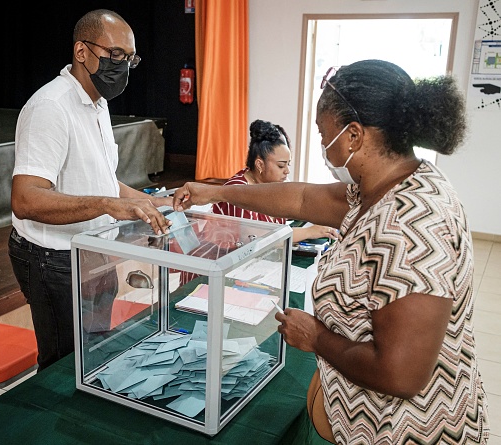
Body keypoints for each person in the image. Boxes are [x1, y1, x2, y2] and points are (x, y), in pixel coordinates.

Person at [173, 59, 490, 444]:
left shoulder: (411, 226)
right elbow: (303, 197)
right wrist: (217, 191)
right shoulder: (384, 185)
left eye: (325, 135)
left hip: (407, 431)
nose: (323, 146)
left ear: (354, 135)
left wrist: (316, 337)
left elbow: (401, 375)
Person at [8, 9, 171, 372]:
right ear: (82, 51)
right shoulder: (50, 107)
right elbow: (25, 199)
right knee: (65, 366)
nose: (123, 66)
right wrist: (107, 206)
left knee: (96, 353)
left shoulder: (98, 103)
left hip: (95, 252)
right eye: (115, 55)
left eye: (130, 59)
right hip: (53, 257)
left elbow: (100, 180)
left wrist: (153, 202)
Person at [212, 119, 337, 243]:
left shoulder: (272, 185)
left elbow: (297, 205)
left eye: (288, 164)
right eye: (281, 166)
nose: (287, 171)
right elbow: (258, 239)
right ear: (260, 165)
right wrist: (310, 232)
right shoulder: (238, 189)